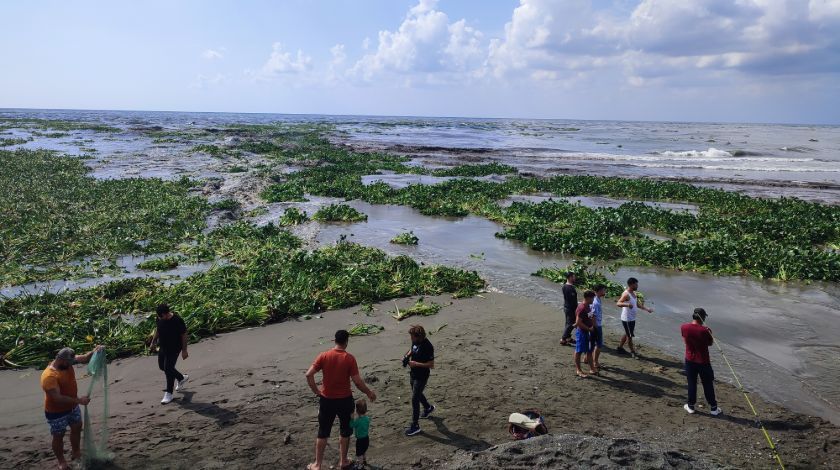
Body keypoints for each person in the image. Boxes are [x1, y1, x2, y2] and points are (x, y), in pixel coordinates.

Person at [306, 330, 377, 470]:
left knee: (323, 432)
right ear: (346, 342)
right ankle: (343, 461)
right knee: (345, 431)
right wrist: (369, 392)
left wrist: (316, 391)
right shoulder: (349, 358)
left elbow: (309, 375)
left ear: (334, 340)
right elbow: (357, 381)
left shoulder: (324, 355)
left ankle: (317, 464)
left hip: (327, 400)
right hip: (345, 400)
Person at [41, 345, 104, 470]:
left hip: (73, 407)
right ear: (61, 360)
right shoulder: (49, 376)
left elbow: (84, 358)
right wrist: (79, 401)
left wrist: (95, 351)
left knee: (76, 428)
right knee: (58, 435)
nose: (71, 365)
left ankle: (76, 452)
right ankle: (61, 461)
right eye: (69, 363)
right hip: (56, 412)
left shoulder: (67, 362)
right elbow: (57, 398)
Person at [681, 308, 722, 416]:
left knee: (692, 383)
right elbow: (710, 343)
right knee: (707, 384)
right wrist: (707, 331)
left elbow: (685, 341)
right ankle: (713, 408)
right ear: (702, 317)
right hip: (703, 361)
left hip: (689, 360)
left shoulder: (684, 327)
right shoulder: (705, 330)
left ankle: (690, 406)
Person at [151, 303, 189, 404]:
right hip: (163, 347)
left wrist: (184, 350)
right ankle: (181, 378)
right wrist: (153, 341)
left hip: (174, 348)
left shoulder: (177, 320)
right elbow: (158, 330)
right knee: (162, 367)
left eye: (161, 316)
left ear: (165, 314)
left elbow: (184, 334)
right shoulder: (160, 319)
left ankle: (169, 394)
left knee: (168, 369)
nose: (159, 318)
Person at [404, 324, 435, 436]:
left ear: (419, 336)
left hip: (422, 376)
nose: (411, 339)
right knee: (416, 393)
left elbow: (431, 365)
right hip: (413, 374)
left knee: (414, 398)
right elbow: (412, 349)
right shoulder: (415, 342)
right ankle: (428, 407)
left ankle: (415, 425)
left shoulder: (428, 346)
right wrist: (407, 356)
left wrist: (415, 364)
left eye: (412, 337)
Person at [616, 277, 651, 358]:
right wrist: (627, 304)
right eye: (636, 284)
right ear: (631, 284)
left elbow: (637, 305)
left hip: (632, 318)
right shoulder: (626, 294)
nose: (637, 285)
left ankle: (620, 348)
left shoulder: (634, 293)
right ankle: (632, 352)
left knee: (627, 333)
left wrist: (647, 309)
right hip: (627, 319)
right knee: (630, 336)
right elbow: (618, 303)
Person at [573, 291, 597, 377]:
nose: (593, 300)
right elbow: (578, 322)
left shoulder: (588, 306)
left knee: (589, 351)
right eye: (592, 298)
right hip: (582, 332)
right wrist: (589, 329)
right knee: (579, 351)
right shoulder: (582, 308)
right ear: (587, 298)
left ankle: (592, 369)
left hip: (587, 332)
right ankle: (578, 370)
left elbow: (588, 317)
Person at [589, 284, 607, 372]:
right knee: (599, 345)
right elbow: (593, 315)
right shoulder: (596, 302)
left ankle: (586, 359)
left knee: (592, 343)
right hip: (596, 325)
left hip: (595, 324)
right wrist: (595, 327)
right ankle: (595, 362)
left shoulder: (596, 299)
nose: (605, 291)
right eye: (604, 290)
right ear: (599, 291)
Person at [350, 398, 370, 468]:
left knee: (359, 454)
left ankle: (360, 465)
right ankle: (364, 460)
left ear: (357, 411)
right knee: (364, 451)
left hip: (360, 440)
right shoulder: (367, 418)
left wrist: (352, 419)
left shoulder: (358, 420)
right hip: (366, 438)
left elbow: (351, 425)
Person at [560, 271, 578, 346]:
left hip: (566, 306)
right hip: (571, 308)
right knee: (571, 323)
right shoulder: (570, 288)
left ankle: (568, 337)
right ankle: (563, 339)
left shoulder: (564, 286)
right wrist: (577, 309)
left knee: (568, 323)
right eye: (574, 276)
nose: (575, 278)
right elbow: (573, 300)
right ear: (570, 277)